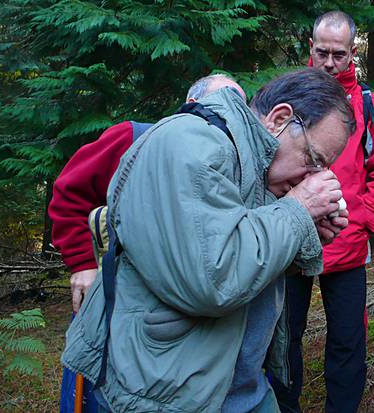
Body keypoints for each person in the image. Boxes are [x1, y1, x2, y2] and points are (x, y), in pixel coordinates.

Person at [61, 68, 356, 413]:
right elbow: (212, 279)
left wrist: (306, 237)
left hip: (240, 389)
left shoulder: (256, 168)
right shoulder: (190, 143)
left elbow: (246, 262)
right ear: (279, 119)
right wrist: (298, 211)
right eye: (313, 160)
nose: (313, 177)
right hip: (167, 396)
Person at [50, 74, 246, 413]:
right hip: (111, 303)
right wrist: (82, 263)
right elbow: (69, 191)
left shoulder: (240, 167)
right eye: (217, 106)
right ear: (191, 103)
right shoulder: (134, 138)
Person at [270, 11, 374, 413]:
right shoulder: (286, 98)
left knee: (348, 340)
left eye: (339, 55)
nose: (330, 62)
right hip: (289, 242)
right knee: (283, 338)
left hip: (347, 247)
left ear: (353, 53)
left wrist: (366, 221)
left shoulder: (368, 106)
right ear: (310, 47)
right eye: (322, 52)